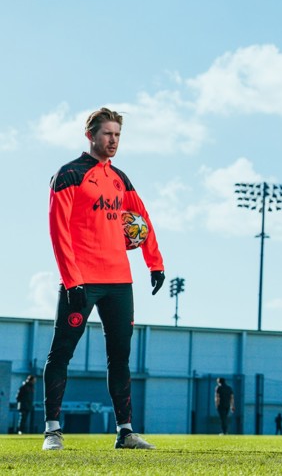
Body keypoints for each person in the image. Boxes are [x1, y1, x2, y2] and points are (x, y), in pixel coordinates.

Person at [43, 107, 163, 451]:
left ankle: (125, 432)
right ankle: (53, 430)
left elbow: (142, 219)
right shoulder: (68, 175)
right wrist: (71, 280)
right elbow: (58, 231)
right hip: (80, 279)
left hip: (118, 282)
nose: (113, 141)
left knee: (120, 358)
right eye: (108, 134)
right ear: (90, 135)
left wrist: (154, 263)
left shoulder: (120, 179)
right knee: (61, 353)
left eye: (118, 136)